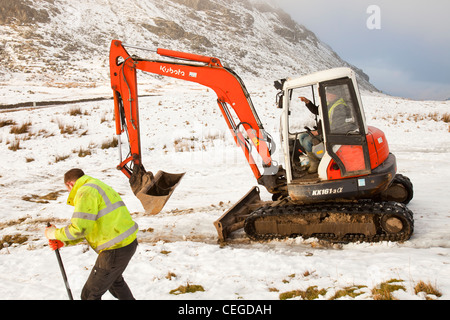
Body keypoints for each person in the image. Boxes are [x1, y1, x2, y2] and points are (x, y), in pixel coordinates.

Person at [45, 168, 139, 300]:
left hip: (115, 250)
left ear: (70, 184)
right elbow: (90, 226)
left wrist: (54, 234)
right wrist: (65, 241)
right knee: (114, 283)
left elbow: (80, 229)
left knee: (89, 295)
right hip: (126, 244)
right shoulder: (97, 185)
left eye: (68, 189)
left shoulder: (85, 191)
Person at [298, 89, 353, 173]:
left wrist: (318, 132)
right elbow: (317, 111)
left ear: (335, 95)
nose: (326, 96)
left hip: (331, 134)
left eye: (328, 94)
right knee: (301, 137)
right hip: (324, 131)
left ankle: (315, 162)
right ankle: (311, 159)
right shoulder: (329, 103)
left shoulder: (340, 106)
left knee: (307, 142)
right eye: (326, 94)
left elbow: (335, 126)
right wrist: (307, 102)